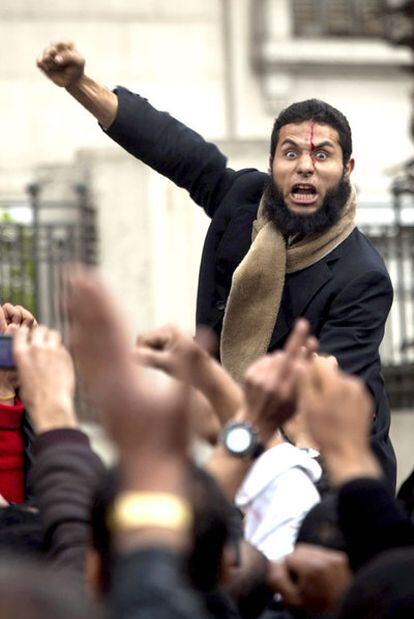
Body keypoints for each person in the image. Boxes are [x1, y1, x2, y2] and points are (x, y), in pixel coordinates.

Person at [37, 41, 395, 489]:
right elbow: (173, 148)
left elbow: (316, 403)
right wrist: (79, 85)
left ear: (347, 169)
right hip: (242, 441)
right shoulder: (245, 200)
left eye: (322, 155)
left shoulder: (363, 276)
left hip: (330, 474)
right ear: (271, 165)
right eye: (291, 153)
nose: (305, 166)